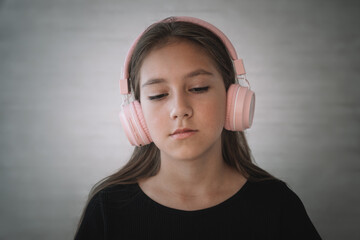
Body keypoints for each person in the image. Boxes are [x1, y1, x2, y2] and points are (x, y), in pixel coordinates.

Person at [74, 16, 322, 239]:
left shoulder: (276, 205)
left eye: (198, 88)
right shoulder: (108, 209)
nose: (179, 109)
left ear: (232, 98)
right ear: (136, 114)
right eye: (159, 95)